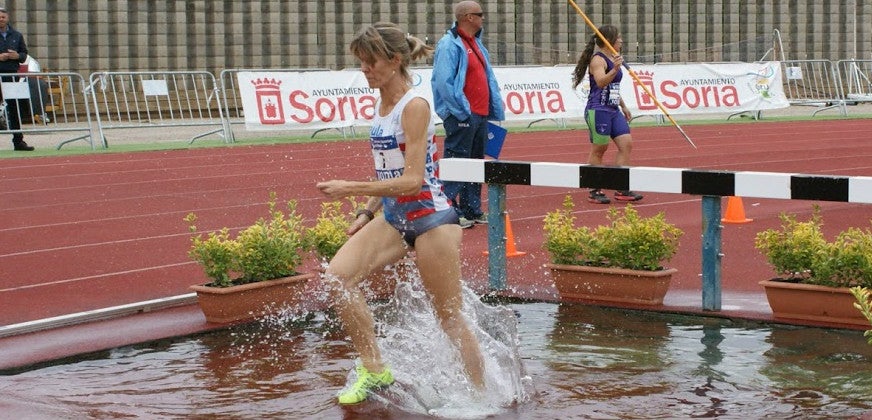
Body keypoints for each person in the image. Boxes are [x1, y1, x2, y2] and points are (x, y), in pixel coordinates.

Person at [317, 22, 486, 405]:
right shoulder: (381, 106)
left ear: (394, 61)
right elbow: (388, 173)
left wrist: (350, 188)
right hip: (393, 217)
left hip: (432, 221)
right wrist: (365, 211)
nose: (364, 69)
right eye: (360, 62)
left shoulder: (415, 106)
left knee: (449, 319)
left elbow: (411, 180)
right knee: (338, 279)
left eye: (370, 62)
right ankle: (375, 368)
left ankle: (483, 399)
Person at [431, 1, 504, 228]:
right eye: (480, 14)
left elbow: (487, 78)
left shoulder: (477, 44)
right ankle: (450, 210)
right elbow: (443, 82)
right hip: (463, 115)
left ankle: (472, 209)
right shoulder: (449, 45)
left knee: (475, 163)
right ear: (468, 17)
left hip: (480, 115)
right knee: (457, 162)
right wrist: (461, 111)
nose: (483, 18)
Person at [571, 25, 642, 204]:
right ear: (609, 40)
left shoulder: (613, 58)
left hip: (613, 109)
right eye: (618, 38)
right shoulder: (598, 60)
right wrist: (615, 69)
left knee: (626, 144)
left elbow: (613, 88)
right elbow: (602, 82)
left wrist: (624, 106)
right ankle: (594, 189)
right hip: (598, 110)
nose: (621, 41)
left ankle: (621, 187)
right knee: (600, 149)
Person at [0, 6, 32, 151]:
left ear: (7, 18)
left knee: (14, 109)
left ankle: (18, 141)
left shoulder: (17, 35)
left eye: (3, 17)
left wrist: (17, 56)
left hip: (11, 75)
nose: (1, 19)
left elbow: (24, 54)